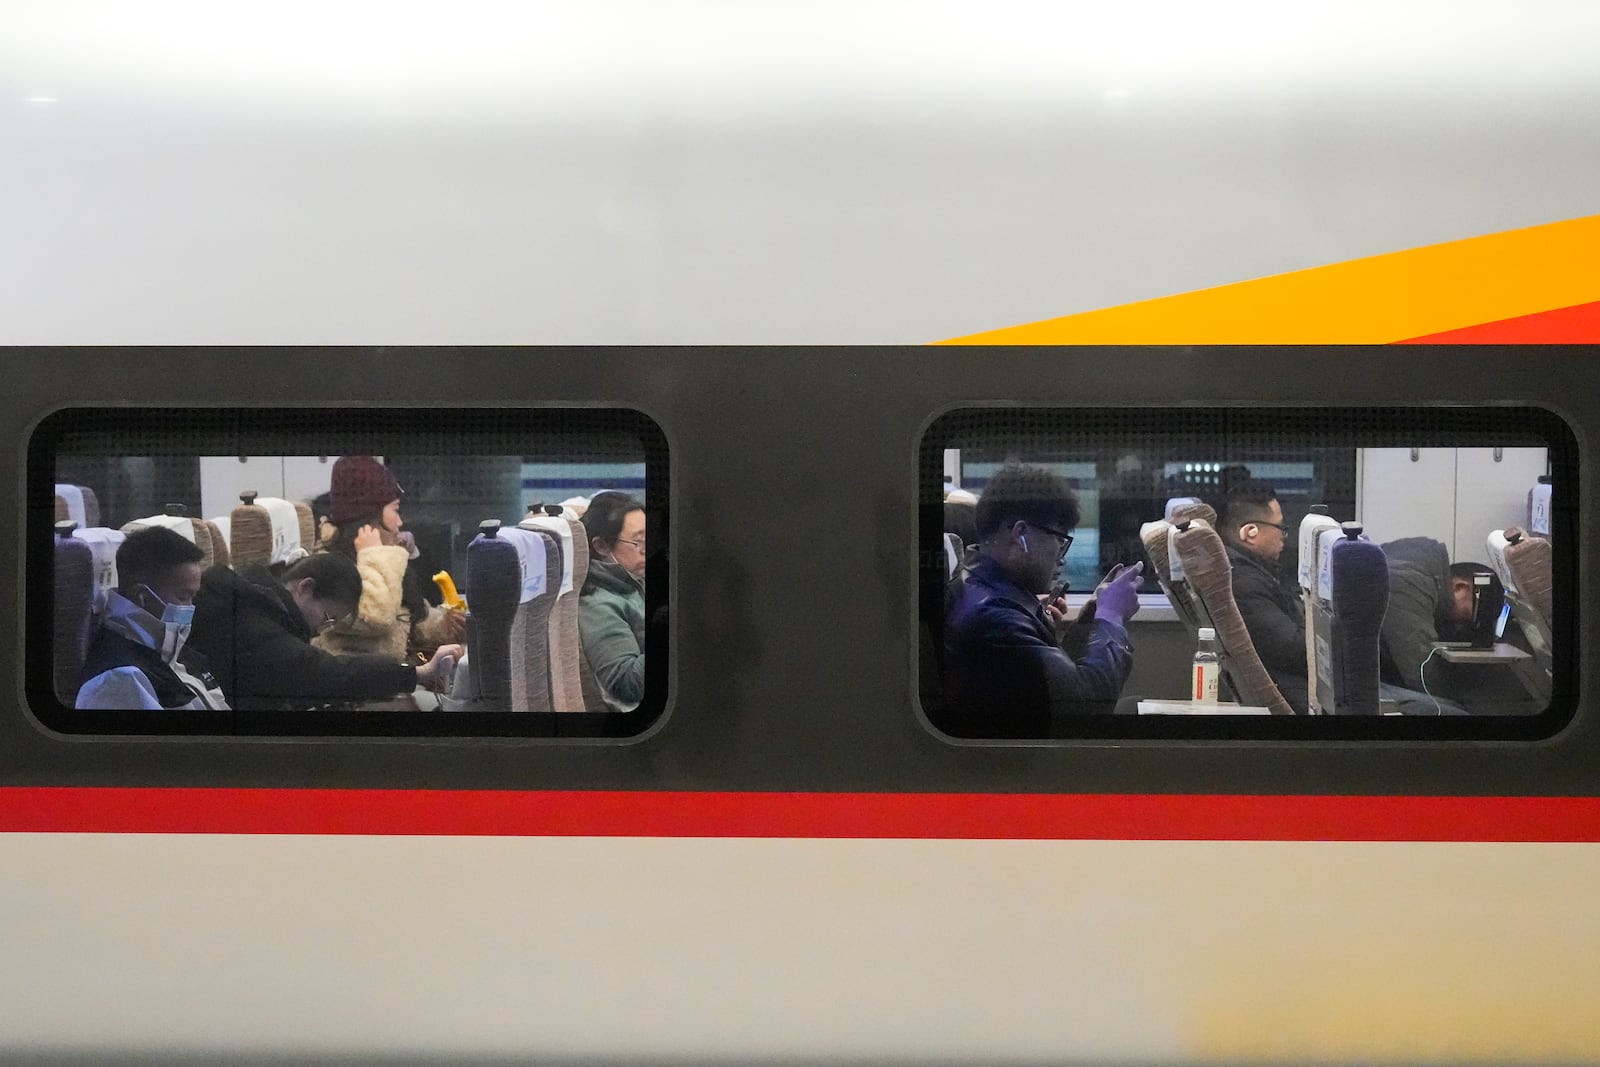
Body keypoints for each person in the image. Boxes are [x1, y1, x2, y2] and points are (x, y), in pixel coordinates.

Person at [941, 464, 1142, 736]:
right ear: (1020, 534)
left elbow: (1056, 682)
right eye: (1060, 539)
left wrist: (1090, 619)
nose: (1062, 554)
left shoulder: (988, 590)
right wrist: (1111, 618)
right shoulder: (996, 617)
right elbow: (1083, 706)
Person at [187, 553, 462, 711]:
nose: (322, 628)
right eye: (328, 617)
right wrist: (417, 674)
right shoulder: (247, 616)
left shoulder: (257, 603)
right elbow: (320, 671)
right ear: (305, 587)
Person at [314, 455, 466, 662]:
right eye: (394, 510)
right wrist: (375, 556)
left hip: (391, 680)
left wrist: (445, 624)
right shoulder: (326, 569)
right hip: (350, 687)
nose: (399, 522)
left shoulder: (388, 561)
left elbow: (410, 618)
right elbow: (375, 618)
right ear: (369, 518)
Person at [76, 527, 230, 711]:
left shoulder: (173, 652)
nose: (190, 607)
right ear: (141, 596)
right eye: (183, 597)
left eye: (193, 597)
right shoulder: (120, 679)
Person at [1217, 480, 1311, 712]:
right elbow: (1294, 650)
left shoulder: (1254, 572)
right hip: (1297, 690)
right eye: (1280, 527)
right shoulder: (1245, 584)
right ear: (1251, 532)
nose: (1284, 536)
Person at [1379, 538, 1506, 705]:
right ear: (1459, 587)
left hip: (1366, 667)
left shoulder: (1417, 559)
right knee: (1452, 710)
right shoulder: (1409, 582)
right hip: (1368, 680)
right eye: (1465, 616)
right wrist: (1456, 703)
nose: (1459, 623)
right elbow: (1421, 673)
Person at [578, 491, 647, 712]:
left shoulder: (634, 579)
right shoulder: (598, 604)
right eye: (639, 543)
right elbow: (626, 684)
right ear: (601, 547)